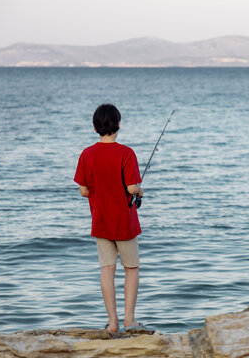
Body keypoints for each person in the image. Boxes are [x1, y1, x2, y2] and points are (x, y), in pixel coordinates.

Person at [74, 103, 147, 333]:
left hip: (101, 222)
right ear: (118, 125)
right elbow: (132, 187)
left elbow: (84, 191)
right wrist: (140, 191)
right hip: (124, 223)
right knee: (131, 269)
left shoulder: (87, 154)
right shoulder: (126, 153)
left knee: (107, 269)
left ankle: (112, 323)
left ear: (95, 128)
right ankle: (129, 320)